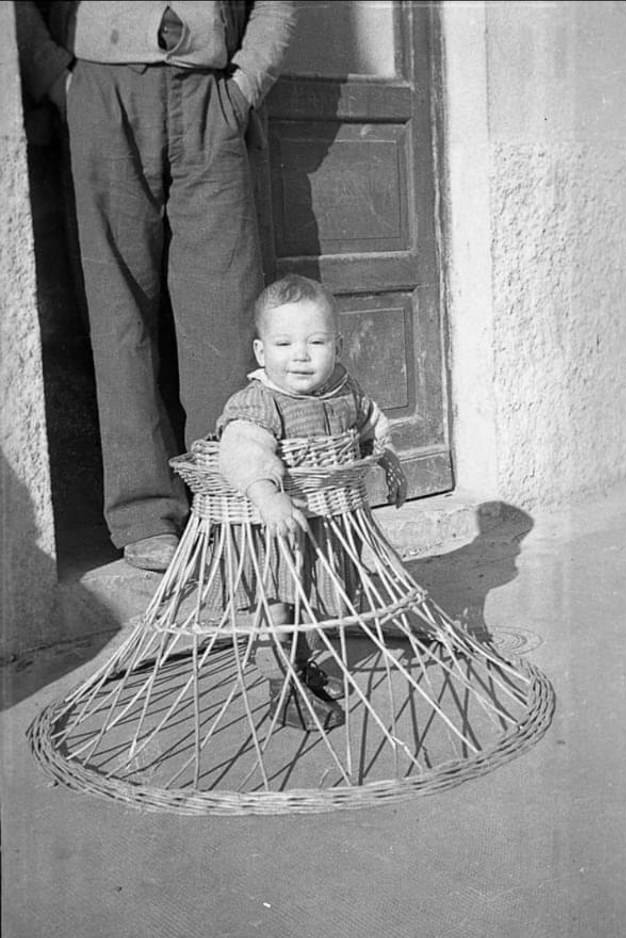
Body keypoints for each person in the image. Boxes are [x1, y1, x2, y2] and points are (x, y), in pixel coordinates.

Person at [15, 1, 297, 571]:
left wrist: (244, 87)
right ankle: (144, 514)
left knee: (226, 313)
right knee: (118, 313)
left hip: (211, 97)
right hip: (101, 90)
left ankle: (228, 501)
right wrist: (52, 75)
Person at [217, 273, 408, 727]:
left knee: (309, 602)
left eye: (316, 342)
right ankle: (281, 686)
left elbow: (371, 428)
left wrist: (389, 460)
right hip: (280, 527)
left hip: (325, 526)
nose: (300, 356)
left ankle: (302, 669)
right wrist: (266, 497)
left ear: (337, 346)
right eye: (283, 345)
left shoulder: (345, 389)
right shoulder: (261, 402)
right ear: (262, 352)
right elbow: (241, 451)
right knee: (278, 605)